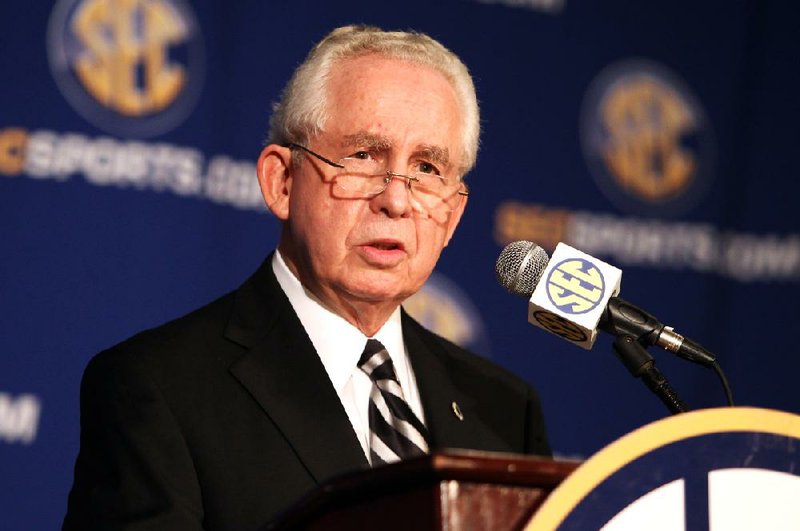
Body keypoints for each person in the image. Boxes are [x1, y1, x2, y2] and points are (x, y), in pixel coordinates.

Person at [63, 25, 550, 530]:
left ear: (451, 216)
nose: (397, 200)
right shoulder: (158, 388)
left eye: (426, 168)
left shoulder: (505, 409)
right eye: (363, 156)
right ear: (282, 182)